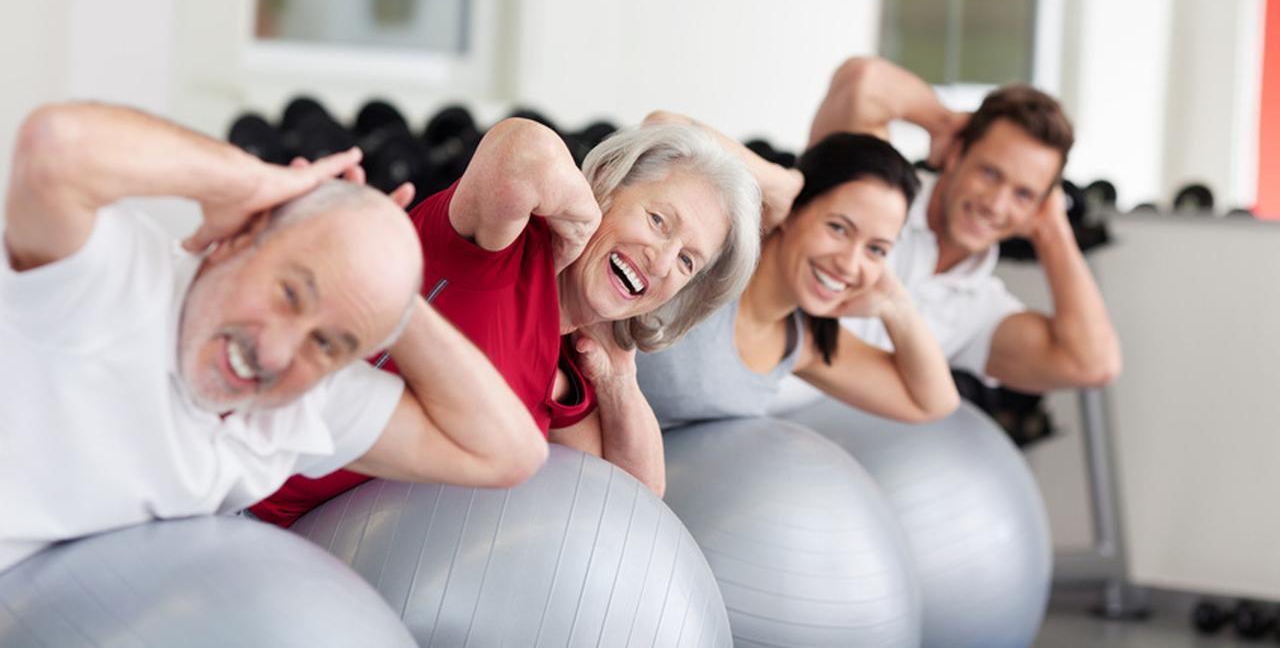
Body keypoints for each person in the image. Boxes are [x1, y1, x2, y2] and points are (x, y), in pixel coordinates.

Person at [1, 102, 547, 573]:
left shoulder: (306, 401)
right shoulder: (116, 284)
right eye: (290, 293)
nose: (277, 352)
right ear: (243, 238)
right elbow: (53, 148)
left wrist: (391, 294)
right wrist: (251, 181)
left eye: (330, 344)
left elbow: (508, 453)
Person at [252, 118, 761, 524]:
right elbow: (522, 151)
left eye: (687, 262)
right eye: (657, 220)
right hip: (237, 456)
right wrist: (580, 223)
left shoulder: (568, 374)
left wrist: (619, 377)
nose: (662, 258)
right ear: (608, 188)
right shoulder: (501, 246)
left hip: (298, 536)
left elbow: (634, 502)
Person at [805, 56, 1122, 392]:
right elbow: (862, 81)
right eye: (990, 173)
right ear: (956, 154)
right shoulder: (871, 189)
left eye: (1024, 194)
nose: (996, 205)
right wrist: (943, 123)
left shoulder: (978, 309)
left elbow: (1092, 365)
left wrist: (1053, 230)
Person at [634, 123, 959, 428]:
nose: (849, 264)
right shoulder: (711, 251)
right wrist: (783, 183)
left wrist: (896, 304)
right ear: (793, 210)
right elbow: (660, 126)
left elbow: (933, 403)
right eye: (838, 228)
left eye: (876, 249)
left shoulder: (804, 343)